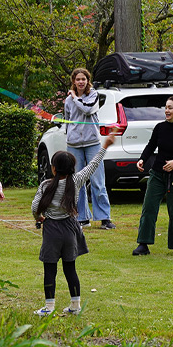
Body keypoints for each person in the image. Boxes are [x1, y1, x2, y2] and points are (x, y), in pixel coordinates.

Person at [32, 129, 118, 316]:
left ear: (53, 168)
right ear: (73, 168)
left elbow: (35, 206)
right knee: (70, 268)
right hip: (71, 228)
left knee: (50, 269)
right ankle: (75, 306)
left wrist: (38, 218)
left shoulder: (46, 185)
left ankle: (48, 307)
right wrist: (105, 145)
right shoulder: (77, 180)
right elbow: (93, 164)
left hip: (52, 229)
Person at [132, 95, 173, 256]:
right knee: (149, 209)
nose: (166, 111)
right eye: (166, 108)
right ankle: (143, 244)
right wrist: (142, 159)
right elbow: (150, 146)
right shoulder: (160, 127)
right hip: (157, 175)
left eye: (170, 108)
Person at [64, 67, 116, 230]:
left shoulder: (94, 95)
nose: (80, 82)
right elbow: (68, 119)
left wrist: (74, 96)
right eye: (77, 79)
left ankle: (104, 218)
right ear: (73, 81)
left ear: (87, 81)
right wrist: (70, 134)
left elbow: (88, 109)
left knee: (98, 181)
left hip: (92, 142)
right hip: (74, 145)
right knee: (76, 182)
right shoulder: (67, 101)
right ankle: (81, 217)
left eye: (83, 79)